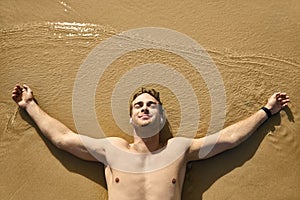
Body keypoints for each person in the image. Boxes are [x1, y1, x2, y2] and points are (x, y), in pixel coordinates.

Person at [12, 84, 290, 200]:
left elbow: (228, 139)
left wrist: (265, 112)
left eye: (151, 105)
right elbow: (63, 138)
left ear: (161, 115)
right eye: (138, 106)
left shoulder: (178, 149)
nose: (144, 108)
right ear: (131, 118)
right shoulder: (112, 149)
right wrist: (30, 105)